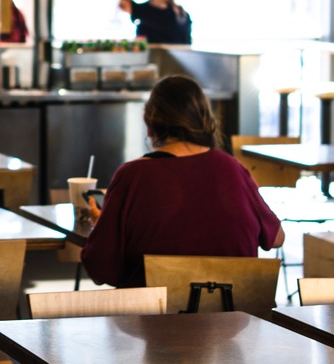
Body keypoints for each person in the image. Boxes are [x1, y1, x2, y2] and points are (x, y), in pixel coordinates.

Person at [81, 74, 282, 288]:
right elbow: (276, 238)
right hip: (235, 317)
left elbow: (100, 269)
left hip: (152, 319)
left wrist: (101, 225)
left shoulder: (133, 175)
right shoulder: (233, 168)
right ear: (203, 120)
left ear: (149, 123)